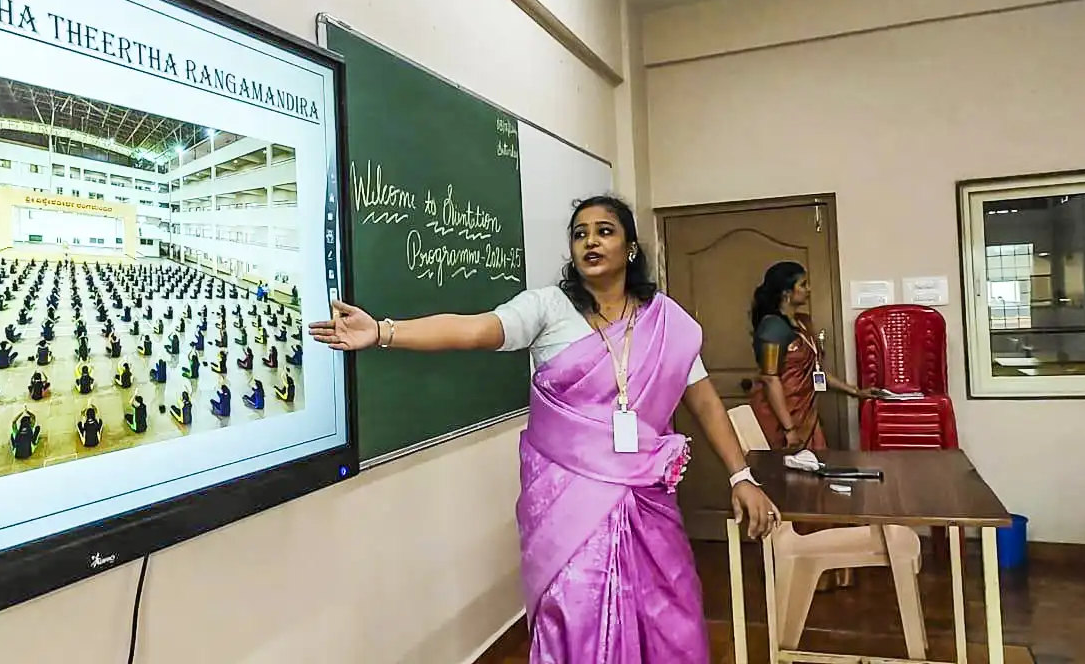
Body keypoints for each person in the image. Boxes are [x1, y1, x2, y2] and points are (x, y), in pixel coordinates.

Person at [308, 195, 780, 662]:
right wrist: (385, 331)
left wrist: (741, 476)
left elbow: (703, 401)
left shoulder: (664, 321)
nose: (590, 241)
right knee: (576, 615)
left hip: (644, 501)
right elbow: (476, 330)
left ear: (631, 248)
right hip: (567, 505)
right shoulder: (549, 307)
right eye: (579, 234)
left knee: (666, 614)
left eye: (604, 231)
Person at [748, 262, 878, 451]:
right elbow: (770, 378)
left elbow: (816, 372)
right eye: (803, 284)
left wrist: (856, 392)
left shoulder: (803, 323)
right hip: (782, 417)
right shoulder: (772, 328)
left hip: (806, 413)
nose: (808, 289)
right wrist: (788, 429)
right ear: (786, 293)